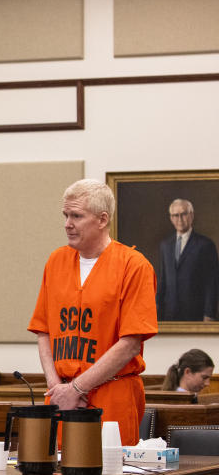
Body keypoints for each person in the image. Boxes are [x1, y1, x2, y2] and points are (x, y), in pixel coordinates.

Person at [28, 179, 158, 446]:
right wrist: (58, 389)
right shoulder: (56, 261)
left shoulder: (134, 266)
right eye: (65, 215)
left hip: (112, 391)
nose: (67, 223)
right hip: (61, 394)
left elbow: (130, 343)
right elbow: (43, 331)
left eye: (76, 216)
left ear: (102, 220)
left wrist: (77, 388)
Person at [156, 199, 219, 322]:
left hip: (196, 313)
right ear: (171, 218)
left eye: (184, 214)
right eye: (175, 215)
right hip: (169, 314)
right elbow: (162, 279)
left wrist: (209, 314)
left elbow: (212, 283)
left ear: (192, 215)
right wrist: (156, 307)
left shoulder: (206, 245)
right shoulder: (165, 245)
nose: (180, 219)